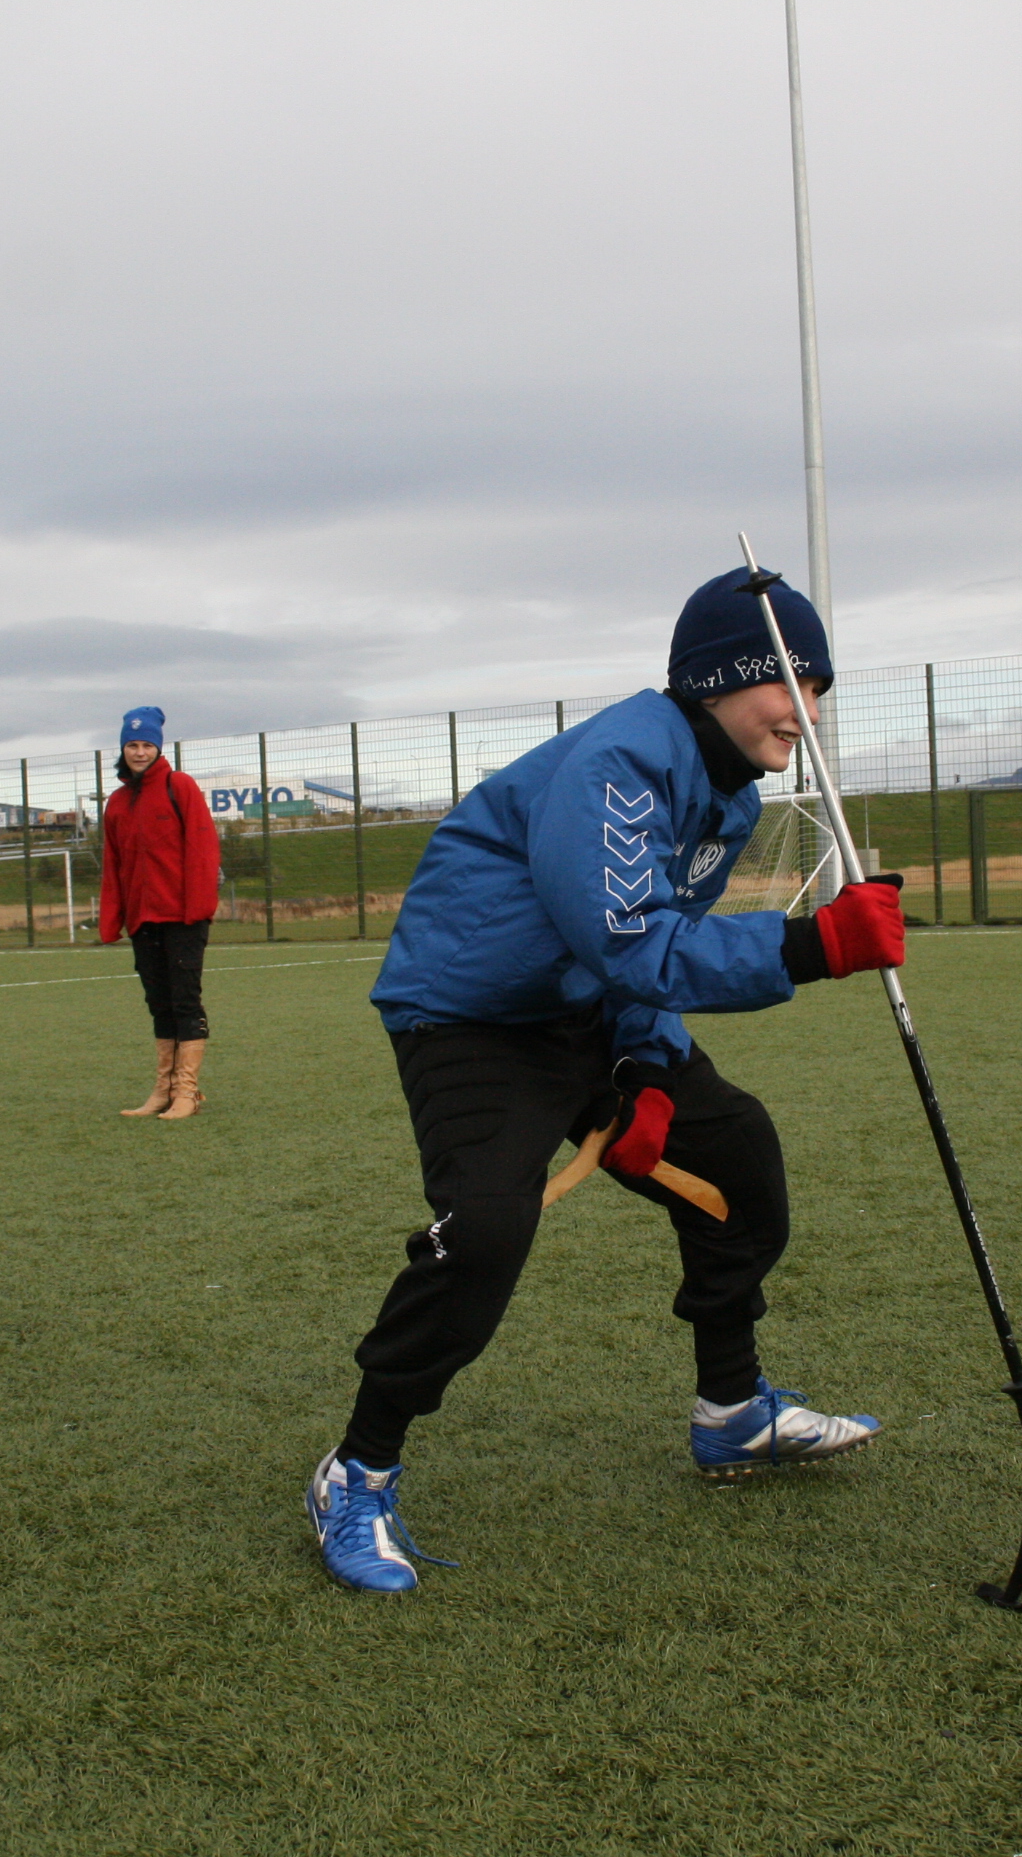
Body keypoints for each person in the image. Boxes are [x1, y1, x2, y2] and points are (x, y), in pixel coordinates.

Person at [304, 564, 909, 1593]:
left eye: (818, 688)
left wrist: (646, 1064)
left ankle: (732, 1410)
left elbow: (642, 952)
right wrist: (814, 946)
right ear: (717, 678)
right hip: (470, 1018)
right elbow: (629, 936)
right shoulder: (620, 763)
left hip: (584, 1006)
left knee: (735, 1154)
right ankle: (355, 1470)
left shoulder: (727, 790)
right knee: (484, 1230)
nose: (806, 711)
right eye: (786, 680)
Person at [98, 706, 222, 1120]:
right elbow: (113, 864)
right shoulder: (117, 802)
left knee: (185, 1001)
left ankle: (187, 1091)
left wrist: (198, 908)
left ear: (158, 748)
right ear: (122, 749)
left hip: (183, 917)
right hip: (143, 920)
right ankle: (164, 1090)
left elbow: (203, 848)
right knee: (159, 1004)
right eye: (132, 745)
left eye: (146, 745)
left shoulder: (178, 785)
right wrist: (114, 918)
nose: (139, 752)